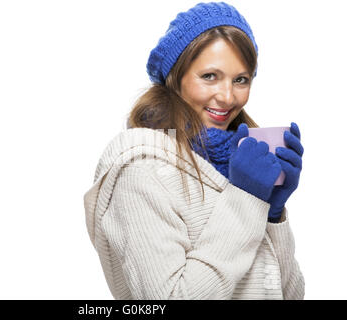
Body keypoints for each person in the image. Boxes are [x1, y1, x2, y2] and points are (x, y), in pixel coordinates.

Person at [84, 1, 304, 300]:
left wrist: (272, 214)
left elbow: (290, 295)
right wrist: (246, 198)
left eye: (240, 79)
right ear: (176, 78)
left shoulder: (237, 163)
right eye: (210, 76)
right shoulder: (141, 170)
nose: (227, 97)